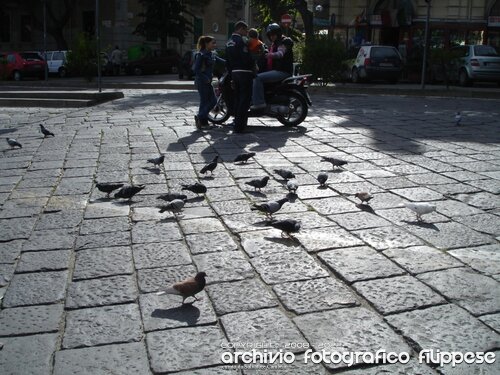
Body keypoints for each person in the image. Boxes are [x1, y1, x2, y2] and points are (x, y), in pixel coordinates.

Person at [251, 23, 294, 110]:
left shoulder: (284, 42)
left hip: (282, 71)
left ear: (278, 34)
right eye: (270, 35)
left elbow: (280, 54)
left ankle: (259, 103)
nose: (271, 37)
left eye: (273, 35)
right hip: (277, 70)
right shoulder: (275, 43)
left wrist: (268, 55)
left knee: (257, 78)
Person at [225, 21, 254, 134]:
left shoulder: (229, 42)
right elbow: (246, 57)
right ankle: (240, 126)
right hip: (244, 72)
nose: (246, 33)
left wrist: (231, 74)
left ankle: (237, 123)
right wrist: (253, 64)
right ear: (240, 29)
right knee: (244, 100)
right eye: (246, 30)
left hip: (234, 73)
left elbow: (227, 61)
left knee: (237, 99)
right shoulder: (241, 40)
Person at [193, 35, 225, 129]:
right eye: (213, 43)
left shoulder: (212, 54)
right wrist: (205, 78)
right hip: (202, 82)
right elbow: (196, 70)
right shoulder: (201, 55)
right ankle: (201, 118)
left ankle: (202, 121)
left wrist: (233, 63)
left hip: (208, 82)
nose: (215, 45)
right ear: (206, 44)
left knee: (210, 101)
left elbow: (223, 62)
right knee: (208, 102)